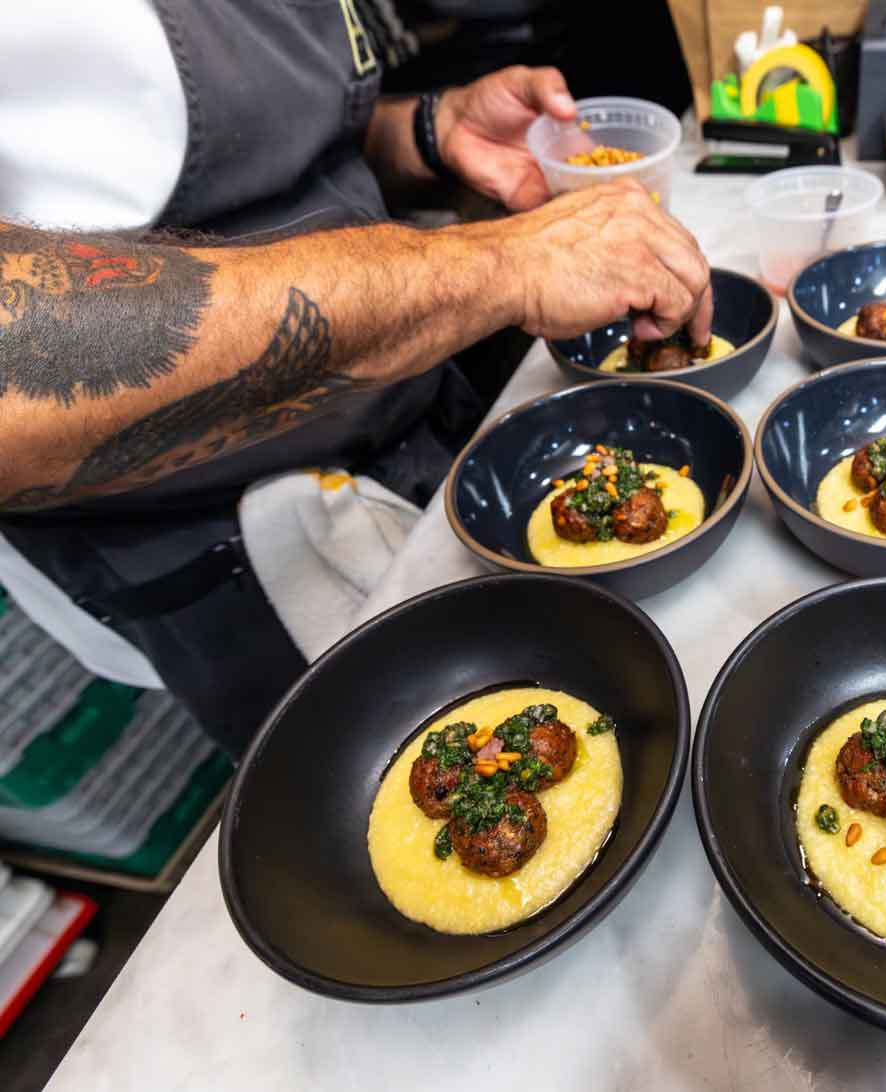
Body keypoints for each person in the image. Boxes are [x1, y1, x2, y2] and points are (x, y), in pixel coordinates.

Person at [0, 0, 712, 757]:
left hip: (411, 430)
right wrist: (498, 264)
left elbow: (244, 162)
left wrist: (421, 135)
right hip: (227, 542)